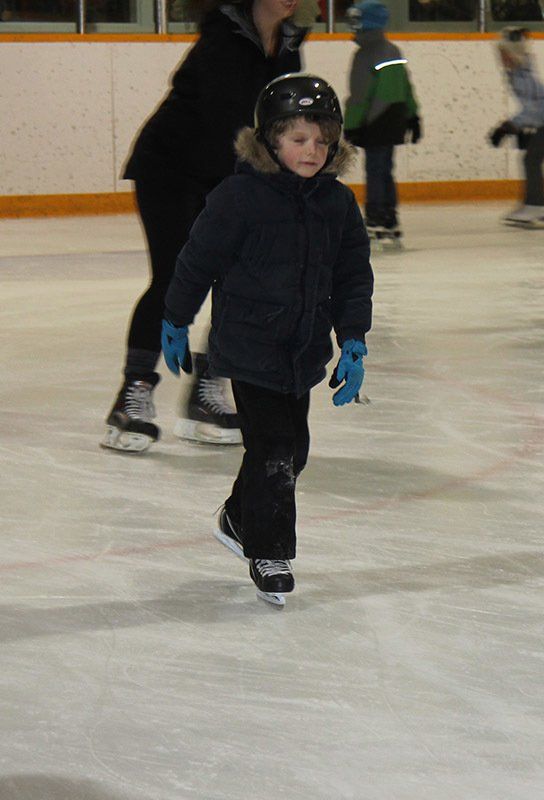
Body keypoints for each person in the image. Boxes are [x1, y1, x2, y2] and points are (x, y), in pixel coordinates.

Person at [160, 74, 374, 605]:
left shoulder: (337, 204)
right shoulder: (239, 197)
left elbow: (353, 276)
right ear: (270, 141)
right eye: (299, 139)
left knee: (292, 452)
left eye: (322, 140)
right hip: (249, 347)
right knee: (274, 449)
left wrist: (353, 339)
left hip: (302, 351)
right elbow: (197, 261)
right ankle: (268, 550)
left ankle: (239, 516)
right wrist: (176, 317)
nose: (312, 150)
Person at [105, 0, 315, 453]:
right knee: (174, 277)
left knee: (241, 283)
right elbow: (227, 120)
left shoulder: (288, 44)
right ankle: (133, 391)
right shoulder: (224, 36)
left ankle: (207, 387)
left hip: (227, 175)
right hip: (171, 169)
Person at [344, 0, 422, 246]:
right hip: (395, 119)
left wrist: (351, 126)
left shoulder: (364, 55)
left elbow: (359, 95)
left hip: (374, 121)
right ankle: (389, 218)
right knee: (385, 169)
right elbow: (406, 86)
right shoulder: (393, 50)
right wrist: (413, 116)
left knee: (376, 170)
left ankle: (376, 217)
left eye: (356, 21)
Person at [489, 27, 544, 228]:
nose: (501, 58)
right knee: (531, 160)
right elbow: (533, 109)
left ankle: (536, 206)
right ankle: (534, 205)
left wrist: (508, 127)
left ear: (512, 54)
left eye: (504, 54)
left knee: (532, 160)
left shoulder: (522, 77)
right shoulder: (519, 72)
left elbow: (532, 110)